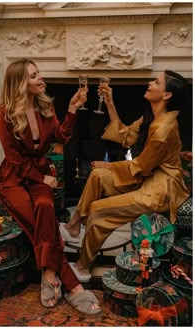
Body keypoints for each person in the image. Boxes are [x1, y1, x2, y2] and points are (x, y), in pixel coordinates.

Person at [61, 70, 190, 282]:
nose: (149, 83)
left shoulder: (163, 130)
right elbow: (127, 136)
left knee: (98, 210)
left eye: (155, 82)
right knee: (97, 176)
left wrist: (109, 165)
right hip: (147, 178)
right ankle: (74, 225)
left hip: (158, 190)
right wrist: (110, 103)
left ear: (166, 95)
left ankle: (83, 267)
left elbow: (141, 167)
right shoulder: (153, 116)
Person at [0, 58, 101, 314]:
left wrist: (73, 108)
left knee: (44, 204)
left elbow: (62, 136)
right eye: (34, 76)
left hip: (40, 174)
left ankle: (48, 274)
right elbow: (14, 159)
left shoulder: (45, 107)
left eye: (39, 73)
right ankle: (73, 286)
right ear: (20, 84)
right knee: (38, 224)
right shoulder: (5, 115)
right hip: (13, 179)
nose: (40, 78)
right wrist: (42, 179)